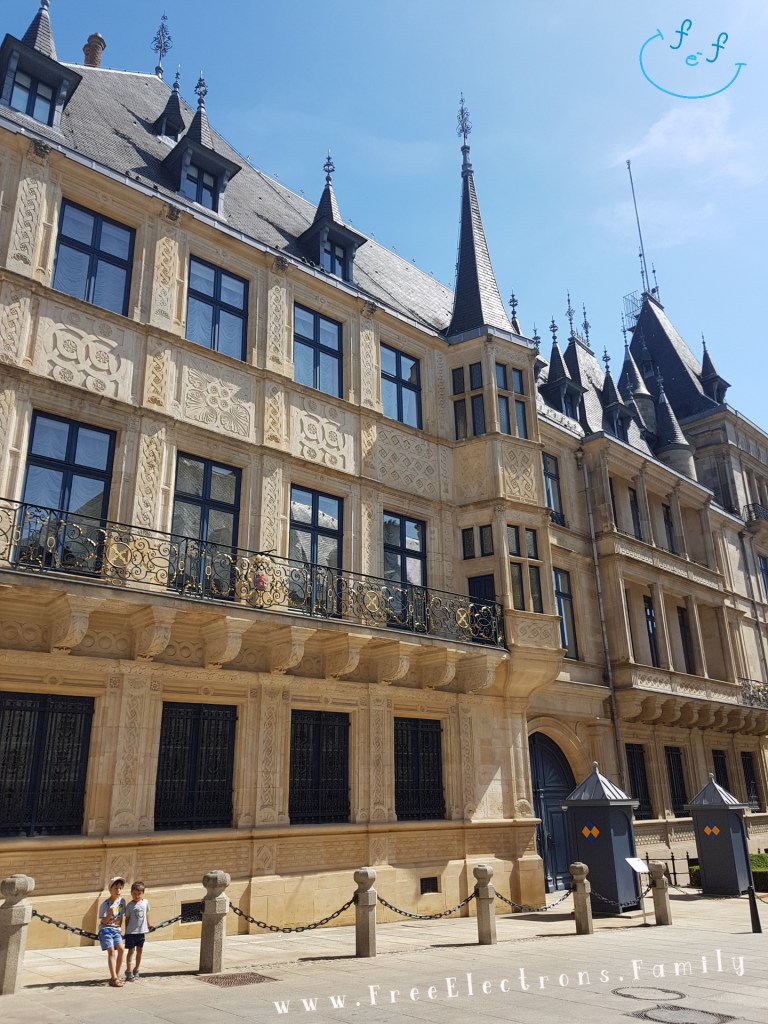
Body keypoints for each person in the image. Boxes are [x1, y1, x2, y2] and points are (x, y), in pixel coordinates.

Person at [98, 877, 127, 987]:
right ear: (110, 889)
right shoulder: (105, 904)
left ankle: (116, 975)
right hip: (106, 929)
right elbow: (104, 921)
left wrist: (120, 929)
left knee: (121, 949)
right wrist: (109, 914)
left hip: (116, 930)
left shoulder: (122, 902)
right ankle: (114, 978)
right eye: (116, 888)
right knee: (111, 951)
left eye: (120, 888)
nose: (118, 890)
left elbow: (122, 917)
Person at [124, 881, 152, 981]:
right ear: (131, 893)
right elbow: (127, 918)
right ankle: (129, 970)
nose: (137, 896)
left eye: (139, 894)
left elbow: (147, 914)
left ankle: (137, 969)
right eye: (134, 894)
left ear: (143, 893)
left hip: (141, 932)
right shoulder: (130, 905)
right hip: (131, 932)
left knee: (139, 951)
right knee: (131, 951)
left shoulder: (145, 903)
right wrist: (126, 931)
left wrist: (148, 925)